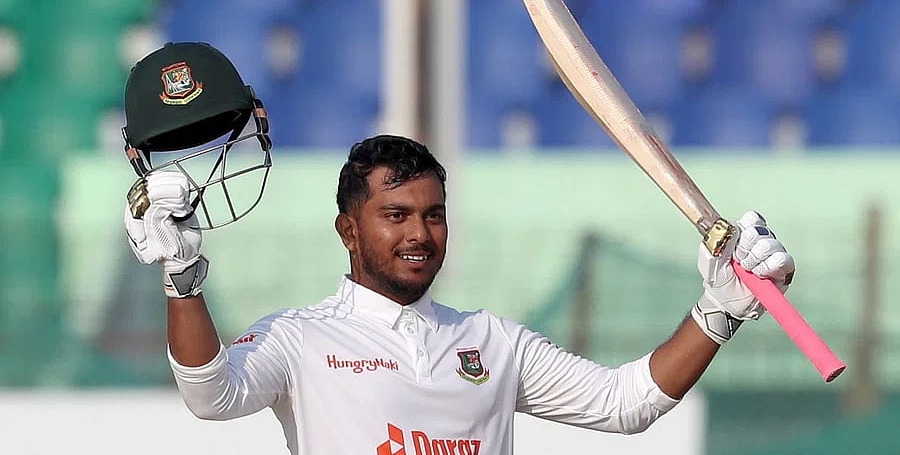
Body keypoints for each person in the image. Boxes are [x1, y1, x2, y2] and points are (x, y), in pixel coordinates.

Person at [124, 132, 795, 454]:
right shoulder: (299, 338)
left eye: (433, 214)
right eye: (396, 215)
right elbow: (211, 398)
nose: (420, 233)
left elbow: (626, 405)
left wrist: (721, 310)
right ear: (348, 230)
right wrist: (182, 280)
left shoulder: (493, 342)